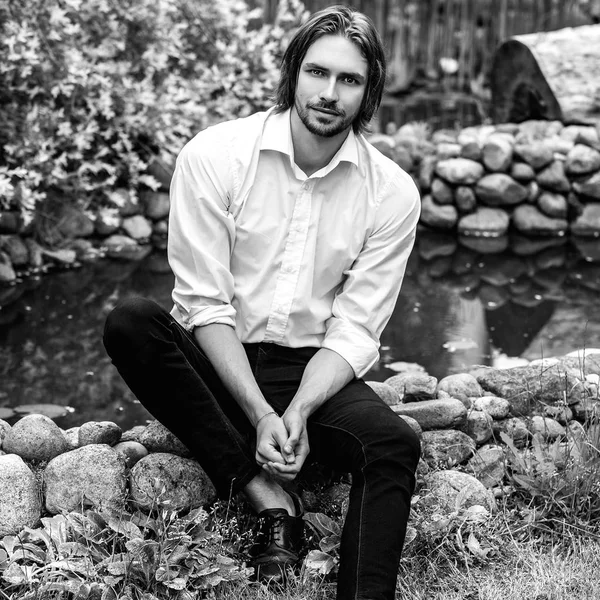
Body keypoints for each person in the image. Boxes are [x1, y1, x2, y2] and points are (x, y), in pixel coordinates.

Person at [103, 5, 421, 599]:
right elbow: (205, 304)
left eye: (349, 80)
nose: (330, 93)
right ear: (293, 73)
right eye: (318, 73)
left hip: (311, 369)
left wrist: (297, 410)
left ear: (370, 89)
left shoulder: (391, 193)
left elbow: (355, 329)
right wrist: (259, 416)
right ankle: (266, 496)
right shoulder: (217, 155)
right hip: (220, 362)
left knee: (394, 443)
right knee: (132, 324)